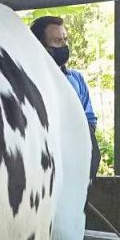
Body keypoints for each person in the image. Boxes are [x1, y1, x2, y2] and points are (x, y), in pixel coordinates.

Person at [30, 15, 101, 177]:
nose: (64, 45)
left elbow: (90, 118)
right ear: (41, 46)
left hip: (76, 161)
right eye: (57, 41)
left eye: (65, 39)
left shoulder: (76, 79)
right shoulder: (30, 81)